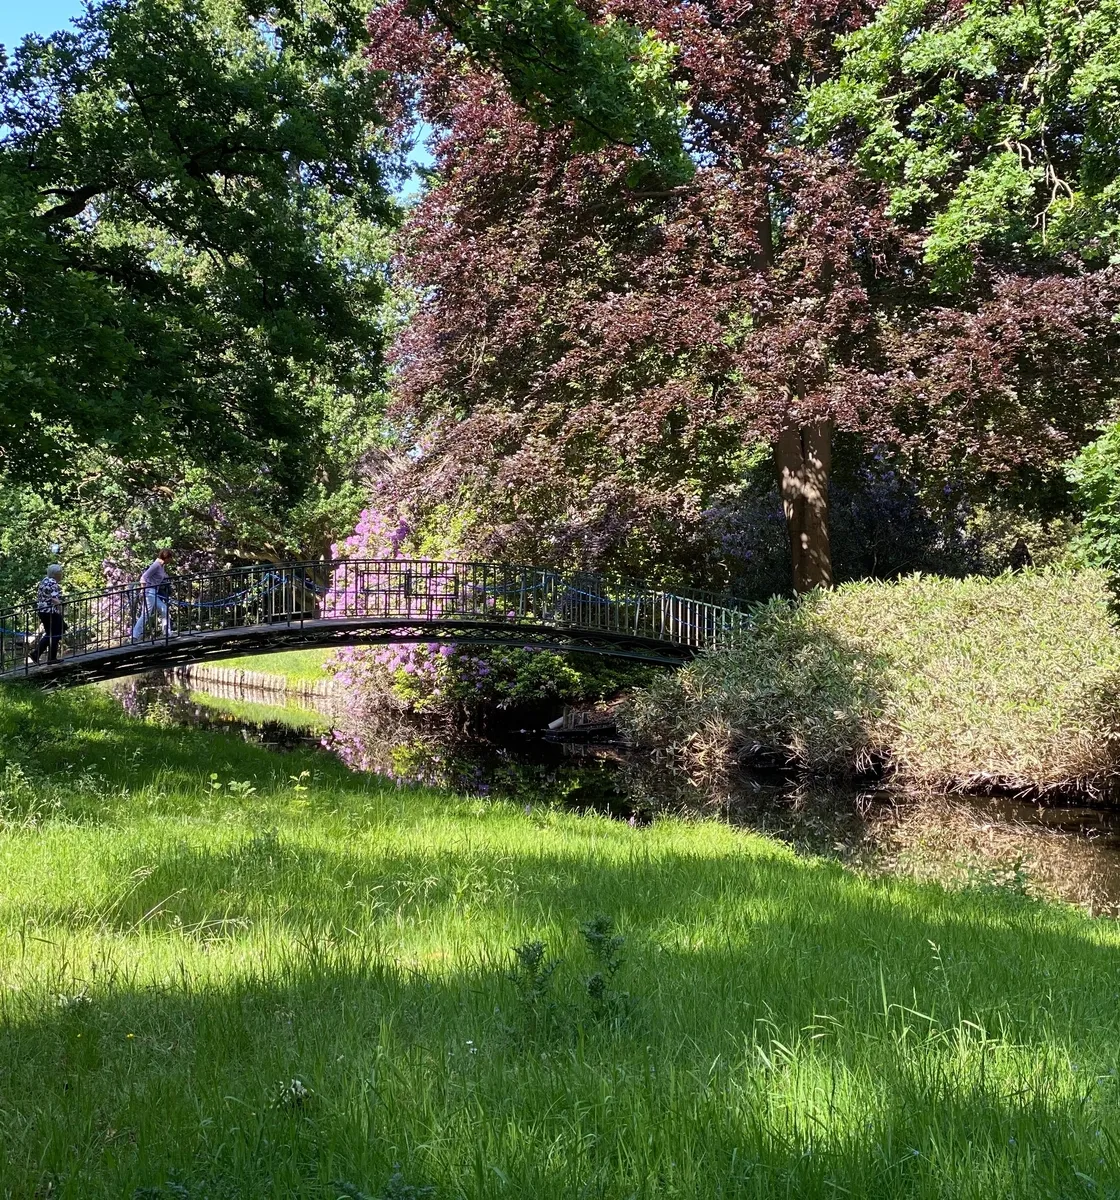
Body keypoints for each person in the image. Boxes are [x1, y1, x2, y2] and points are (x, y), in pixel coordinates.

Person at [132, 549, 175, 641]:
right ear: (166, 557)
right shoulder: (156, 565)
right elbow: (143, 577)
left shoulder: (161, 566)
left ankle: (167, 632)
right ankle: (134, 635)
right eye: (170, 558)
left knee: (164, 609)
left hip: (154, 592)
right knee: (146, 614)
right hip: (149, 592)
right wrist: (143, 591)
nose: (170, 560)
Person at [29, 563, 65, 663]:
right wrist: (61, 610)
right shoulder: (53, 583)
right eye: (60, 573)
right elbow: (55, 599)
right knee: (54, 634)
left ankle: (37, 654)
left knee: (52, 633)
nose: (62, 575)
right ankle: (50, 657)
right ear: (56, 574)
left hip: (43, 611)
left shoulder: (44, 580)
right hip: (51, 612)